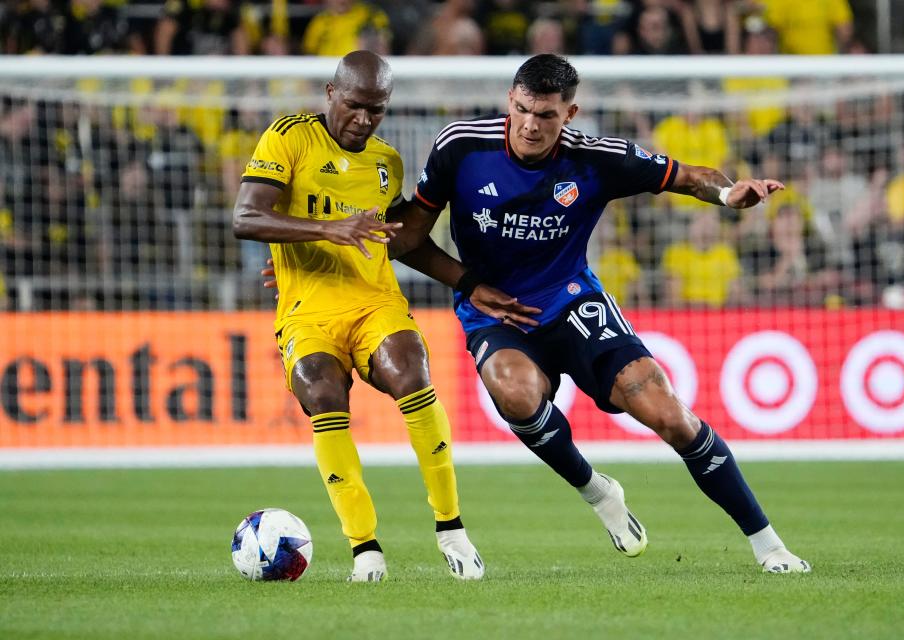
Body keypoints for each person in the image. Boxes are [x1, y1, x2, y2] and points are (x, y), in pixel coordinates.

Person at [391, 54, 810, 573]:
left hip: (571, 299)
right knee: (516, 394)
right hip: (496, 311)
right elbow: (408, 239)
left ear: (570, 114)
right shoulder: (461, 146)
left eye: (546, 115)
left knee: (666, 412)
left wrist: (727, 194)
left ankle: (770, 546)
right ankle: (598, 492)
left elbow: (685, 176)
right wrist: (468, 283)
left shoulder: (597, 158)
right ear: (509, 101)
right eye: (522, 109)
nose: (530, 125)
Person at [232, 50, 483, 582]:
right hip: (308, 312)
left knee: (413, 375)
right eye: (354, 105)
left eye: (377, 109)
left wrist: (469, 282)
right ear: (331, 93)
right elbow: (248, 216)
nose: (364, 119)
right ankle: (365, 549)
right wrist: (327, 231)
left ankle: (451, 527)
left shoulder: (386, 162)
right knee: (323, 394)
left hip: (375, 303)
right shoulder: (289, 136)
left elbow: (402, 243)